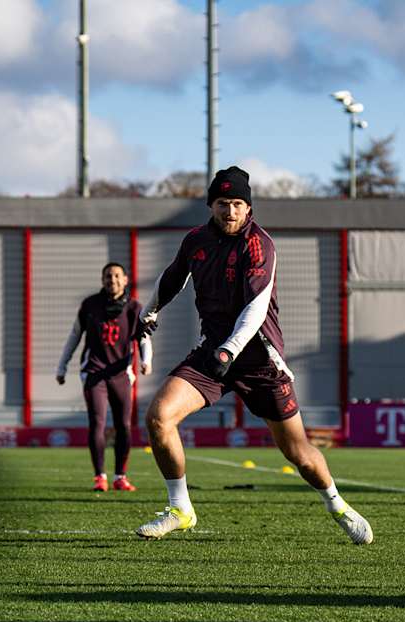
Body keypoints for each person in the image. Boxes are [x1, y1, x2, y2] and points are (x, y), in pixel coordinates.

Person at [133, 166, 372, 545]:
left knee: (298, 453)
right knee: (158, 418)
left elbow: (256, 307)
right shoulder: (196, 240)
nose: (230, 211)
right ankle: (180, 509)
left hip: (259, 360)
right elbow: (173, 276)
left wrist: (230, 349)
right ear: (211, 205)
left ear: (248, 208)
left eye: (237, 204)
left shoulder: (259, 244)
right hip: (213, 353)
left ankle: (337, 504)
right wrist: (148, 312)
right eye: (222, 203)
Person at [56, 262, 153, 492]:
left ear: (126, 280)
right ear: (102, 280)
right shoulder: (90, 305)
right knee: (97, 422)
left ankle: (120, 476)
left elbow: (144, 338)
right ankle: (100, 476)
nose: (113, 280)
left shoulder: (134, 308)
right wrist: (62, 367)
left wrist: (146, 360)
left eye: (117, 276)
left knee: (124, 425)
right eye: (108, 276)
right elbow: (74, 336)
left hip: (121, 374)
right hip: (94, 372)